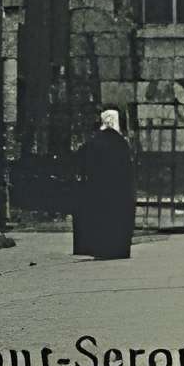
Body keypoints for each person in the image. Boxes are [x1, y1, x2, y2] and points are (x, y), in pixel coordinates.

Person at [71, 107, 136, 260]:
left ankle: (101, 249)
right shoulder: (122, 143)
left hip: (98, 189)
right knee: (118, 220)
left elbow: (80, 161)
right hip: (119, 191)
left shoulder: (95, 141)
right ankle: (119, 250)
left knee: (101, 218)